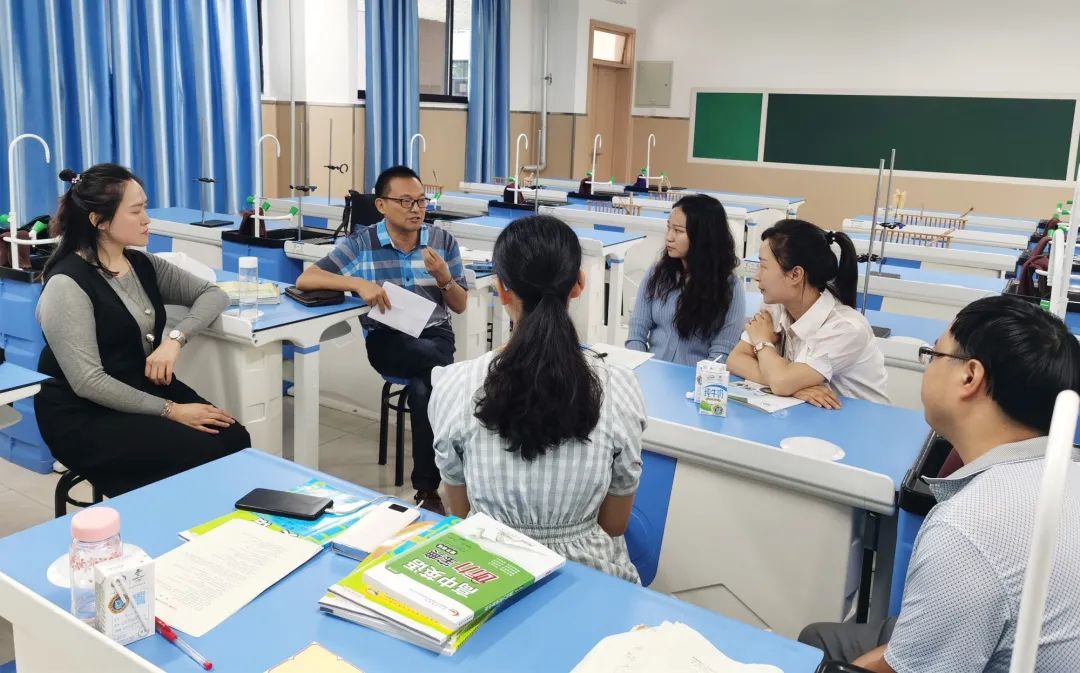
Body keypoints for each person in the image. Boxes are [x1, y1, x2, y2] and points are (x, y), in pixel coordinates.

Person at [799, 295, 1080, 672]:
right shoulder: (1064, 472)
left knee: (819, 653)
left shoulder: (968, 530)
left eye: (934, 354)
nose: (928, 366)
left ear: (970, 377)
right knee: (822, 637)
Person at [429, 215, 646, 583]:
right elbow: (613, 525)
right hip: (589, 582)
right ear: (578, 284)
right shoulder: (620, 388)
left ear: (501, 290)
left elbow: (459, 512)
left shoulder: (455, 385)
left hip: (484, 580)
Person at [35, 165, 250, 497]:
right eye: (136, 211)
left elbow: (213, 294)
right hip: (82, 414)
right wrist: (173, 411)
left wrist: (175, 340)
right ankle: (171, 522)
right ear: (98, 220)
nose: (147, 219)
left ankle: (211, 520)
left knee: (235, 438)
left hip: (140, 387)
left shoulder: (141, 264)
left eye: (145, 207)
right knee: (200, 452)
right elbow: (88, 382)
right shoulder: (67, 284)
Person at [296, 165, 467, 514]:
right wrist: (357, 283)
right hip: (388, 339)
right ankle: (458, 390)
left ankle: (427, 491)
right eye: (405, 201)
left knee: (423, 388)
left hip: (435, 334)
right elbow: (307, 279)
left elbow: (460, 305)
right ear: (381, 205)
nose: (416, 209)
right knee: (439, 377)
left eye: (421, 201)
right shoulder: (361, 243)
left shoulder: (442, 241)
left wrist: (444, 277)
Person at [727, 219, 888, 407]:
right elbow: (735, 360)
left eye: (763, 266)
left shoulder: (846, 327)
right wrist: (793, 387)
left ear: (795, 274)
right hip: (813, 414)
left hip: (859, 420)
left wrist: (763, 343)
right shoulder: (775, 306)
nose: (756, 276)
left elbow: (781, 382)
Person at [625, 194, 745, 365]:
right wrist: (639, 366)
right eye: (669, 228)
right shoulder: (657, 273)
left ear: (702, 237)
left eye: (679, 231)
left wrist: (699, 379)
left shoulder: (730, 287)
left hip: (696, 377)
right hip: (651, 370)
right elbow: (637, 331)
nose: (669, 237)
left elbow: (721, 352)